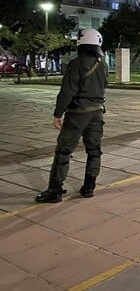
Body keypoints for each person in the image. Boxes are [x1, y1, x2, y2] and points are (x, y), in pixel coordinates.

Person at [35, 28, 109, 203]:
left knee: (63, 151)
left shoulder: (76, 64)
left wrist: (58, 113)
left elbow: (67, 91)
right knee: (94, 150)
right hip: (97, 112)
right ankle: (89, 187)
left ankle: (55, 190)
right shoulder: (103, 64)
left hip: (77, 114)